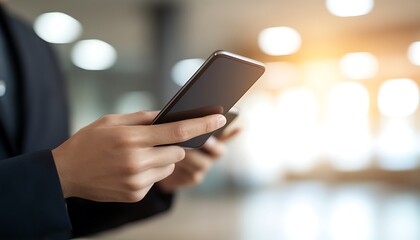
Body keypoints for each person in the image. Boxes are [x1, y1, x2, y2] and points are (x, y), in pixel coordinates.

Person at [0, 3, 239, 239]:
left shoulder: (35, 44)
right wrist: (59, 173)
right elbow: (55, 179)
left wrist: (151, 178)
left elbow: (60, 211)